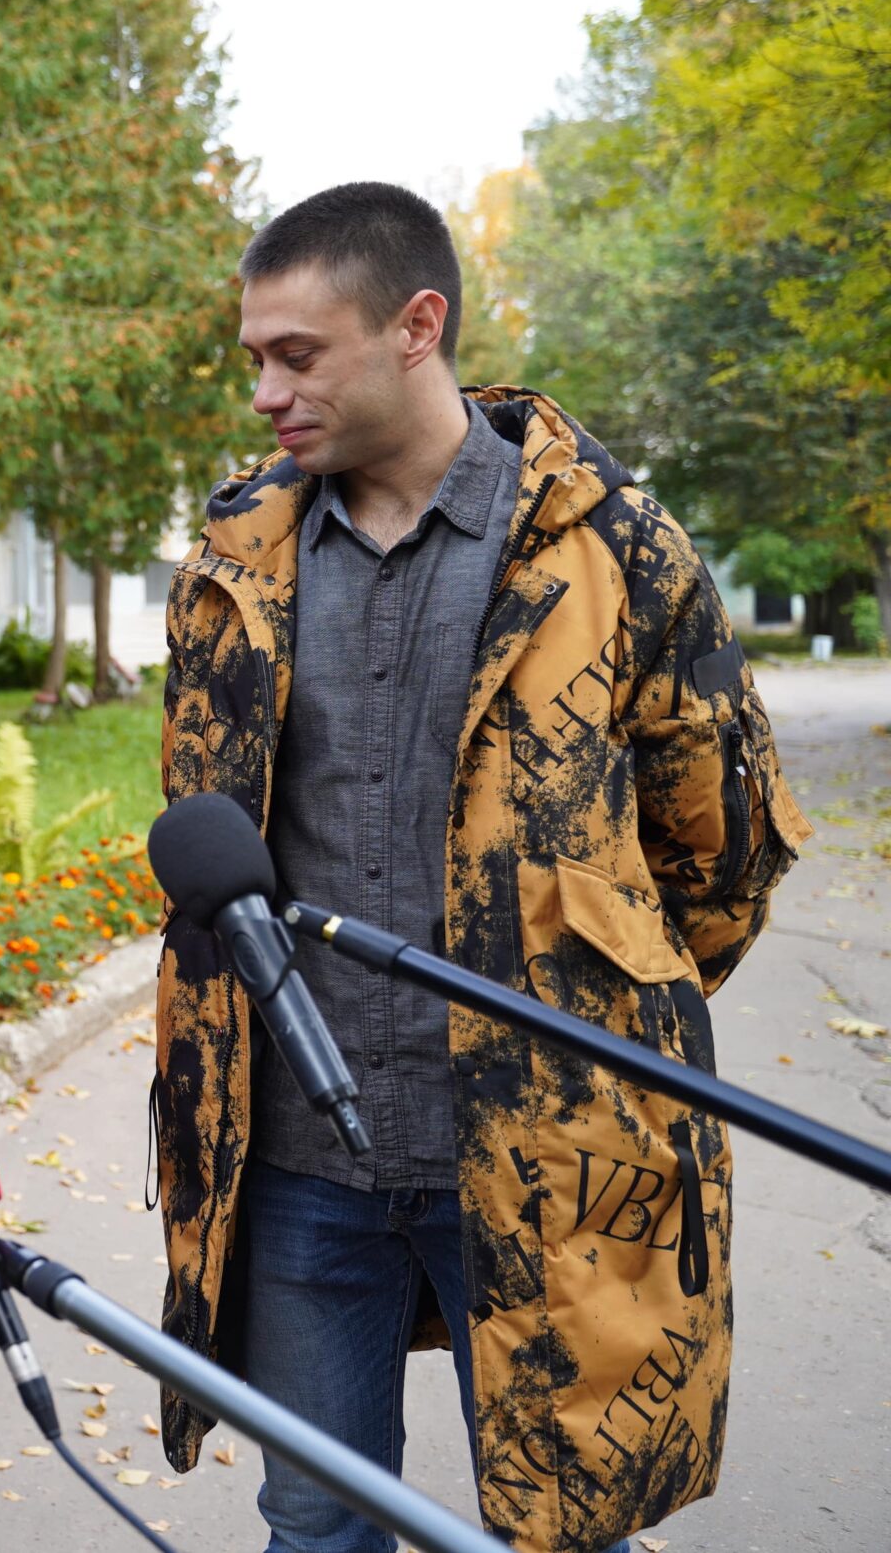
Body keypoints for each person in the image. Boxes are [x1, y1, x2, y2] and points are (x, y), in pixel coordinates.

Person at [151, 182, 811, 1553]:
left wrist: (595, 1001)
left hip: (554, 1153)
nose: (268, 391)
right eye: (254, 358)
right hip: (295, 1156)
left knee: (571, 1527)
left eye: (298, 354)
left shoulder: (615, 549)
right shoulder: (234, 561)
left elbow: (724, 855)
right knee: (313, 1521)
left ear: (417, 325)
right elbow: (205, 827)